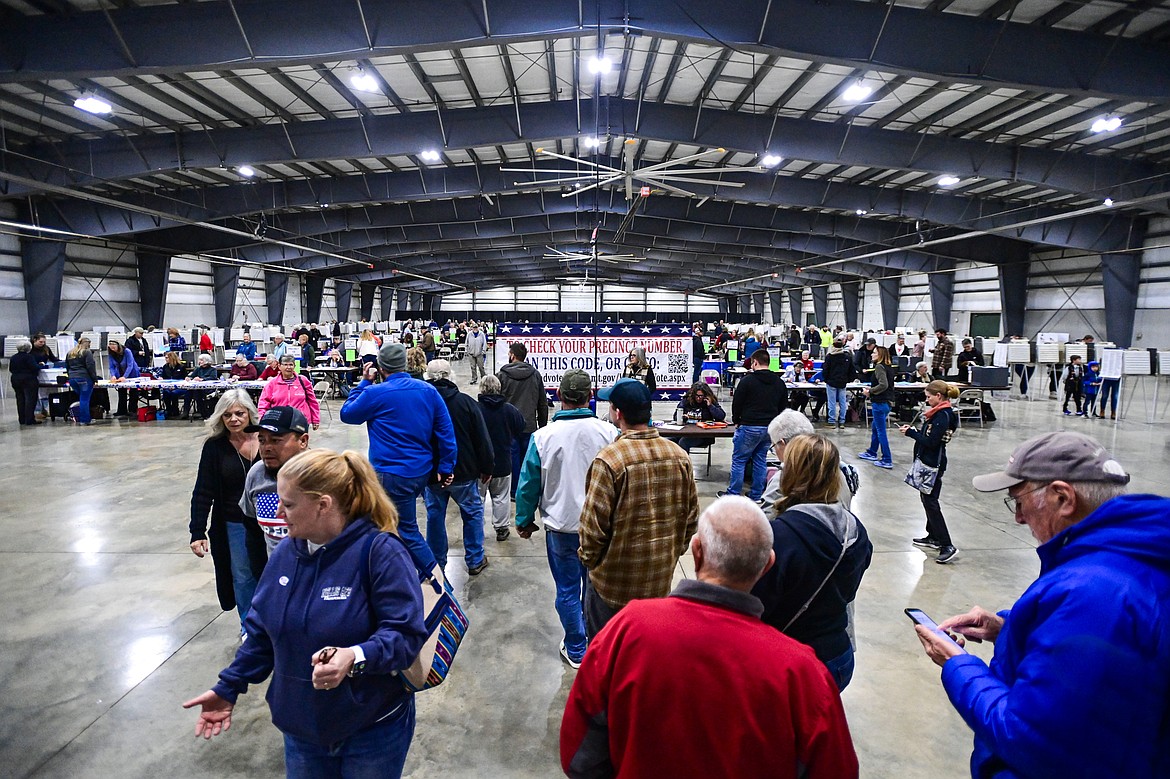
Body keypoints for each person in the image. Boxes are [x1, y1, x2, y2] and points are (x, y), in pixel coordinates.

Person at [915, 432, 1170, 779]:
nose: (1018, 517)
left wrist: (958, 666)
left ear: (1063, 497)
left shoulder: (1093, 593)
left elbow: (1031, 739)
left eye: (1018, 501)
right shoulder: (1127, 560)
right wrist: (1010, 629)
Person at [561, 496, 859, 778]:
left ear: (697, 551)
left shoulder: (627, 630)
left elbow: (579, 754)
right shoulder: (802, 674)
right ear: (768, 564)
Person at [184, 448, 428, 778]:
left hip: (371, 728)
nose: (279, 514)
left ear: (323, 504)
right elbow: (261, 632)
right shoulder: (286, 553)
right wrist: (229, 687)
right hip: (302, 730)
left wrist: (354, 657)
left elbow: (406, 636)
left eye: (288, 504)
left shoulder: (380, 553)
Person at [578, 379, 700, 637]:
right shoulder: (679, 457)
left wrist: (591, 563)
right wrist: (670, 554)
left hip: (612, 589)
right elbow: (691, 519)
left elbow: (592, 530)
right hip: (658, 583)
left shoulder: (609, 461)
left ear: (617, 413)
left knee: (606, 658)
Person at [515, 370, 618, 668]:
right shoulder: (609, 433)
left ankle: (576, 648)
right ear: (591, 396)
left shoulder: (542, 437)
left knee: (568, 589)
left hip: (561, 528)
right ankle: (597, 643)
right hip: (601, 527)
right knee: (596, 588)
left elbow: (528, 485)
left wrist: (524, 520)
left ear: (559, 396)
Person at [752, 435, 871, 690]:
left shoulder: (778, 538)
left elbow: (758, 607)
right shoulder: (857, 531)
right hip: (839, 655)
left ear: (791, 473)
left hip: (795, 662)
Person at [340, 343, 456, 572]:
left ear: (380, 367)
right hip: (422, 471)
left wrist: (364, 382)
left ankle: (439, 582)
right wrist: (446, 465)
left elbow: (348, 414)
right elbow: (446, 431)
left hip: (392, 474)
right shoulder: (427, 391)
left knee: (405, 530)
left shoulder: (374, 393)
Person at [189, 390, 267, 638]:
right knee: (243, 576)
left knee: (273, 573)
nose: (233, 419)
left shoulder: (267, 439)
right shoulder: (214, 447)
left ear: (249, 413)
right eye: (227, 415)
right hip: (234, 523)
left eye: (239, 413)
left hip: (270, 521)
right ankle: (250, 626)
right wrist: (197, 531)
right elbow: (203, 490)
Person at [422, 360, 495, 575]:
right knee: (472, 513)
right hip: (464, 472)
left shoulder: (423, 405)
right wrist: (487, 466)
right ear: (450, 375)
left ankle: (437, 563)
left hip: (433, 473)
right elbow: (482, 438)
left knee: (434, 516)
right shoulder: (466, 402)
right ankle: (475, 559)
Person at [899, 380, 961, 564]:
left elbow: (932, 442)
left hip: (933, 464)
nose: (926, 401)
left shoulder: (942, 415)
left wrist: (911, 433)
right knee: (927, 498)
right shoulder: (937, 414)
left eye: (928, 397)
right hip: (929, 462)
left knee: (931, 502)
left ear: (938, 396)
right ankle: (933, 536)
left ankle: (947, 545)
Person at [239, 406, 311, 554]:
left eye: (276, 440)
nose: (266, 448)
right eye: (262, 440)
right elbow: (252, 529)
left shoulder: (324, 477)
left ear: (303, 441)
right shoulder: (256, 474)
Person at [722, 348, 788, 502]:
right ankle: (757, 495)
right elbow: (783, 406)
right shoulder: (779, 382)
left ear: (755, 362)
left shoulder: (746, 381)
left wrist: (737, 420)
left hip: (749, 425)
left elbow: (737, 403)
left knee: (739, 460)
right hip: (770, 428)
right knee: (760, 460)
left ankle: (733, 494)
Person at [760, 410, 860, 511]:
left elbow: (767, 520)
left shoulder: (785, 476)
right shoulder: (839, 468)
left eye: (774, 446)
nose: (775, 451)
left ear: (782, 443)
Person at [477, 375, 525, 542]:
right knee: (501, 496)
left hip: (479, 464)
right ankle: (502, 528)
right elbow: (521, 426)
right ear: (499, 388)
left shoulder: (475, 409)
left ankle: (477, 529)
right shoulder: (509, 409)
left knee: (478, 497)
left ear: (481, 389)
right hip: (503, 460)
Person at [497, 342, 548, 497]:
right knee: (529, 461)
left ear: (512, 355)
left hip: (508, 426)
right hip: (529, 425)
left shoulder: (502, 375)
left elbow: (497, 401)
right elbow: (542, 402)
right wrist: (543, 425)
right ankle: (526, 491)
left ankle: (513, 491)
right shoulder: (535, 374)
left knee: (512, 460)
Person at [256, 355, 321, 430]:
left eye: (291, 364)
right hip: (279, 422)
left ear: (294, 366)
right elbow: (263, 404)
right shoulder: (272, 384)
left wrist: (316, 419)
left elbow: (312, 401)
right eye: (285, 364)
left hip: (300, 421)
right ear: (279, 366)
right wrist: (262, 420)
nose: (288, 367)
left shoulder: (303, 381)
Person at [858, 345, 895, 470]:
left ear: (880, 355)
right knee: (875, 427)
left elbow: (883, 385)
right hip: (887, 403)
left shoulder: (879, 367)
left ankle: (887, 459)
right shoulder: (888, 367)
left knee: (880, 431)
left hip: (879, 402)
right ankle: (872, 451)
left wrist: (870, 391)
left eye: (874, 352)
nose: (872, 354)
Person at [668, 381, 725, 452]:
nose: (698, 398)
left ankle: (685, 462)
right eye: (697, 396)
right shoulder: (687, 401)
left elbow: (721, 416)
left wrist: (710, 406)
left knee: (683, 442)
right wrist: (682, 418)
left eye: (701, 396)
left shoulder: (710, 401)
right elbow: (676, 416)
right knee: (668, 440)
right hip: (686, 431)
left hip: (703, 435)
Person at [822, 338, 855, 429]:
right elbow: (852, 370)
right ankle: (842, 422)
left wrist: (825, 379)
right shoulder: (847, 357)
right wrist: (848, 380)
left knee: (832, 402)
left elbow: (825, 370)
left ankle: (831, 421)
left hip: (831, 382)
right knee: (843, 402)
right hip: (842, 382)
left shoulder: (830, 357)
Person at [65, 337, 98, 425]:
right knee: (84, 399)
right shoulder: (87, 352)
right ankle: (85, 420)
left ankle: (80, 417)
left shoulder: (70, 353)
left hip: (72, 378)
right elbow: (90, 366)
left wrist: (70, 376)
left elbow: (67, 366)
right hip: (84, 378)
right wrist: (95, 378)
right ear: (87, 343)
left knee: (81, 398)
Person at [107, 339, 141, 418]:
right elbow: (112, 366)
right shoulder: (111, 354)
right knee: (121, 391)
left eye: (114, 348)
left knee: (133, 392)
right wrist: (113, 375)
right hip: (120, 372)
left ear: (118, 346)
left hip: (132, 373)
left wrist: (124, 376)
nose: (112, 349)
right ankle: (122, 410)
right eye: (111, 348)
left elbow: (130, 365)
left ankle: (132, 410)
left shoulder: (127, 351)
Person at [10, 342, 41, 426]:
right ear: (28, 348)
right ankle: (29, 419)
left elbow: (11, 369)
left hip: (15, 379)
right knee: (30, 400)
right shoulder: (29, 357)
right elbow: (35, 368)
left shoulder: (13, 357)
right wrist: (39, 366)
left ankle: (22, 419)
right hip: (28, 380)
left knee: (20, 399)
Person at [188, 354, 221, 420]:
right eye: (199, 360)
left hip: (209, 389)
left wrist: (202, 379)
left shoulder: (213, 369)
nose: (199, 362)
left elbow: (213, 377)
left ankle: (207, 413)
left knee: (203, 395)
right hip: (198, 389)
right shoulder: (198, 369)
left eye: (201, 360)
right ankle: (200, 412)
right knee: (192, 393)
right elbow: (192, 376)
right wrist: (188, 378)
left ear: (206, 361)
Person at [160, 351, 189, 418]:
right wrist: (161, 378)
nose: (166, 359)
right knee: (166, 392)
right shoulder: (165, 367)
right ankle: (169, 409)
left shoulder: (181, 367)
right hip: (168, 386)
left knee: (174, 393)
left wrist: (187, 378)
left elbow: (186, 378)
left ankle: (175, 410)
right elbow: (163, 376)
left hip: (180, 387)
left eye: (167, 358)